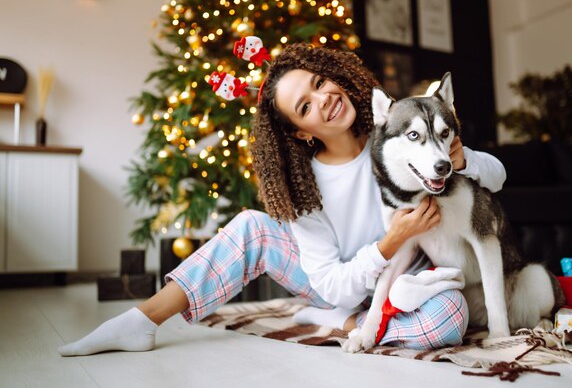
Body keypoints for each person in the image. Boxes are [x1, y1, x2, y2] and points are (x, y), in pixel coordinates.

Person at [58, 43, 506, 356]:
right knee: (252, 226)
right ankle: (139, 322)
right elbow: (331, 283)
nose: (324, 99)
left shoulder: (401, 133)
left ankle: (341, 323)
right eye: (305, 107)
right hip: (339, 282)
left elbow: (498, 177)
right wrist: (389, 242)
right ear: (299, 131)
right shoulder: (304, 183)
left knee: (451, 318)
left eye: (318, 83)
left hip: (403, 285)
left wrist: (461, 160)